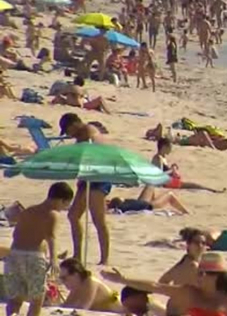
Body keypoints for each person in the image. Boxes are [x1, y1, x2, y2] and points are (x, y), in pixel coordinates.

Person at [101, 253, 227, 316]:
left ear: (215, 277)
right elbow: (155, 286)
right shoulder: (187, 292)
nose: (197, 276)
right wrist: (123, 280)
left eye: (202, 273)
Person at [4, 182, 74, 316]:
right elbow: (51, 237)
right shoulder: (52, 214)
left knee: (15, 299)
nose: (64, 208)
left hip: (14, 255)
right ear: (61, 200)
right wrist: (53, 259)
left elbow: (16, 234)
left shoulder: (28, 211)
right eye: (65, 204)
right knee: (36, 300)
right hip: (34, 257)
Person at [59, 113, 111, 265]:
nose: (68, 135)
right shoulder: (81, 136)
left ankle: (105, 259)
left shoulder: (89, 131)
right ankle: (78, 255)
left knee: (98, 220)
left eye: (67, 131)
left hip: (100, 177)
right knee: (73, 215)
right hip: (87, 178)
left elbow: (93, 149)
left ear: (73, 125)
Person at [152, 138, 227, 193]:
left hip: (169, 182)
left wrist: (172, 169)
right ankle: (213, 190)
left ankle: (212, 190)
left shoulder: (162, 157)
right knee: (193, 185)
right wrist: (172, 170)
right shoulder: (158, 158)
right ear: (164, 147)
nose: (171, 150)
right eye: (169, 148)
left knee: (193, 185)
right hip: (166, 184)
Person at [59, 258, 124, 312]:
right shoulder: (77, 286)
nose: (63, 282)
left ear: (76, 275)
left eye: (64, 278)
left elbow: (82, 309)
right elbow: (66, 307)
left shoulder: (90, 282)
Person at [108, 185, 190, 215]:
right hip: (147, 206)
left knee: (150, 186)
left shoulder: (115, 206)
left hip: (141, 202)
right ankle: (186, 212)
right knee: (170, 195)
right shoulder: (119, 206)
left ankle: (155, 203)